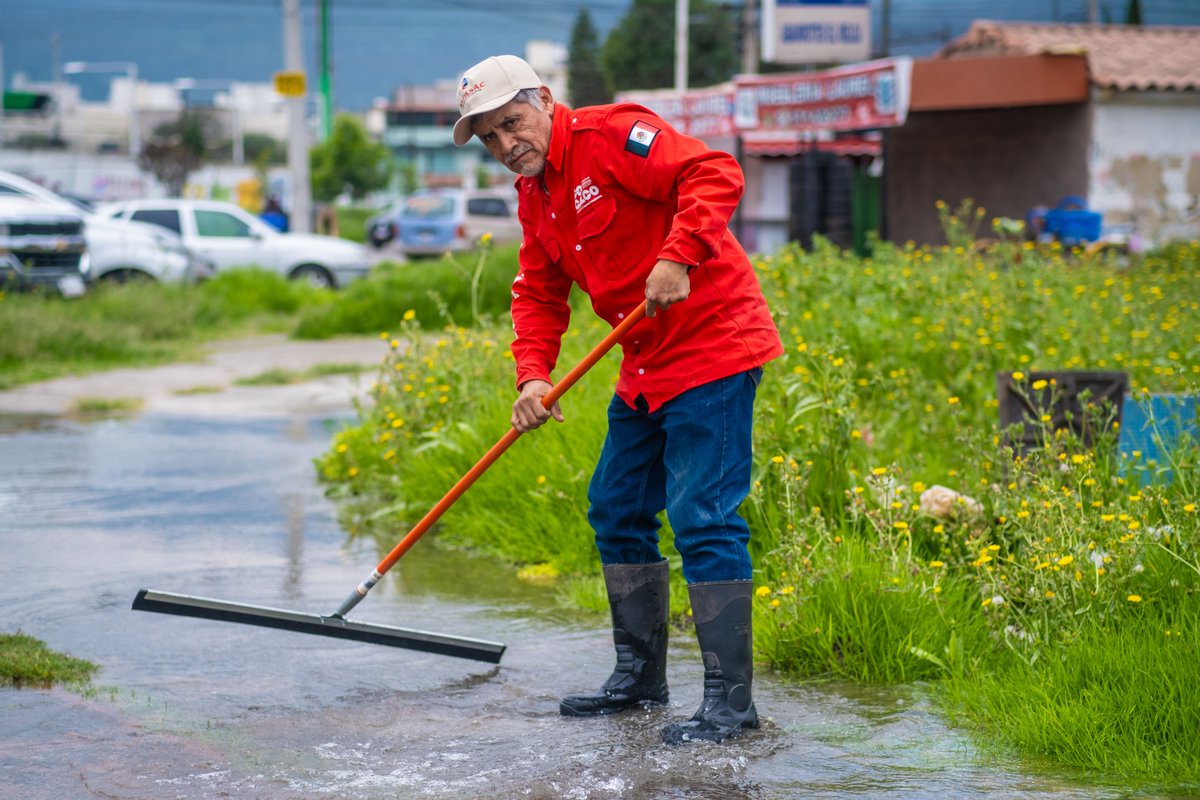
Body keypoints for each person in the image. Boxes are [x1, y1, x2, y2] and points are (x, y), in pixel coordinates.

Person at [452, 55, 783, 745]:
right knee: (617, 507)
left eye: (512, 122)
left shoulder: (612, 137)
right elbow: (539, 292)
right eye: (489, 137)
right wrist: (533, 377)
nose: (507, 143)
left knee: (702, 516)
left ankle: (732, 705)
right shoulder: (535, 193)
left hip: (714, 347)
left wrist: (677, 255)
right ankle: (639, 680)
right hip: (646, 366)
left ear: (544, 100)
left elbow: (714, 171)